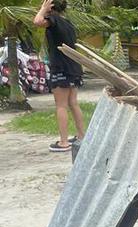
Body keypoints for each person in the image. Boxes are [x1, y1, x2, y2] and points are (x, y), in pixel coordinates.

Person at [33, 0, 85, 153]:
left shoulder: (53, 20)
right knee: (73, 103)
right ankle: (82, 135)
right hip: (73, 66)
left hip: (61, 67)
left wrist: (43, 9)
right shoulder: (67, 23)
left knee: (61, 105)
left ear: (51, 7)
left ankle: (63, 142)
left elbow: (37, 21)